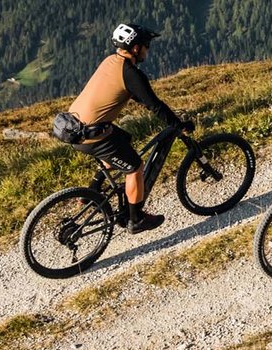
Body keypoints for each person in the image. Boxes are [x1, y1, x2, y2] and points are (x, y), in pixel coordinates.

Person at [68, 23, 192, 234]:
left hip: (73, 126)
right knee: (134, 166)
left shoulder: (111, 61)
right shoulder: (131, 73)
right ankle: (136, 219)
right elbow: (155, 104)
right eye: (146, 46)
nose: (147, 50)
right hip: (92, 135)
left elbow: (127, 92)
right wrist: (178, 125)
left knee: (123, 139)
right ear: (135, 48)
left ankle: (91, 191)